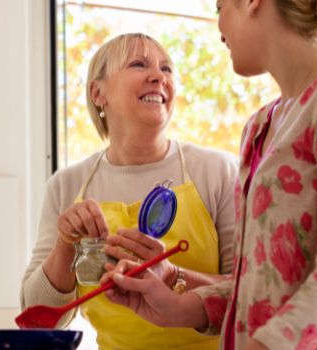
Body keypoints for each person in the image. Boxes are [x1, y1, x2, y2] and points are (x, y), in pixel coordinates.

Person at [103, 1, 317, 350]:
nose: (218, 28)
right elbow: (258, 283)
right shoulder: (260, 126)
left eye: (219, 8)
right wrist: (179, 306)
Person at [20, 33, 239, 349]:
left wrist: (172, 276)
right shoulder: (66, 185)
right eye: (139, 64)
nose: (158, 77)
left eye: (167, 69)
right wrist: (66, 245)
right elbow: (36, 318)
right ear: (98, 93)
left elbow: (250, 295)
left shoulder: (217, 170)